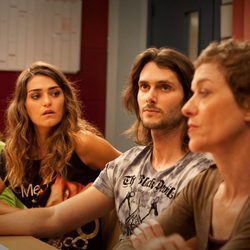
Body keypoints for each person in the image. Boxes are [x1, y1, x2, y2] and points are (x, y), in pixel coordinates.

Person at [0, 48, 213, 246]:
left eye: (164, 87)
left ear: (189, 98)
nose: (150, 97)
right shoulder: (126, 163)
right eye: (144, 87)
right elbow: (53, 218)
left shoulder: (204, 173)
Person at [117, 39, 250, 250]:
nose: (187, 108)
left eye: (204, 92)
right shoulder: (204, 185)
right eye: (193, 93)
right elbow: (129, 245)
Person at [0, 61, 121, 250]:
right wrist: (25, 215)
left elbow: (137, 171)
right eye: (36, 96)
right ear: (23, 106)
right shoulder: (13, 153)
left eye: (55, 93)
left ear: (65, 99)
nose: (47, 102)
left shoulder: (82, 143)